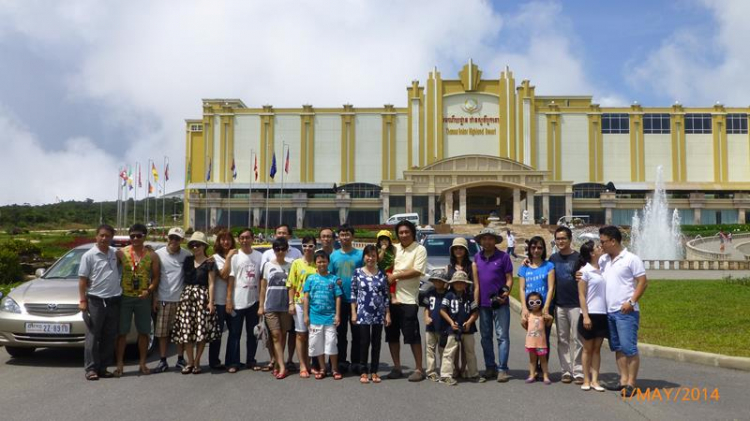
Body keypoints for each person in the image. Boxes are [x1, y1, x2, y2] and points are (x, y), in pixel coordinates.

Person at [598, 226, 648, 397]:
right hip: (609, 311)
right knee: (618, 347)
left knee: (629, 348)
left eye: (603, 241)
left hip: (626, 311)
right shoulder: (603, 260)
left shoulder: (631, 259)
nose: (601, 245)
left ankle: (632, 383)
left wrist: (631, 301)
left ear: (613, 241)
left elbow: (642, 282)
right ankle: (623, 380)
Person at [115, 223, 160, 376]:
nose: (135, 238)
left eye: (138, 236)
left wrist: (149, 291)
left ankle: (142, 363)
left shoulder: (152, 255)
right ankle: (120, 364)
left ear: (144, 236)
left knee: (144, 332)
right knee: (122, 332)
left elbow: (156, 278)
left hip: (143, 298)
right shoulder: (121, 253)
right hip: (125, 297)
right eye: (132, 236)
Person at [171, 231, 220, 374]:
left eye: (198, 245)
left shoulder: (210, 262)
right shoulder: (187, 260)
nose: (195, 247)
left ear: (204, 246)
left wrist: (211, 302)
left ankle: (197, 361)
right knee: (186, 331)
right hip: (187, 297)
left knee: (201, 332)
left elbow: (211, 283)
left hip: (202, 297)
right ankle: (190, 362)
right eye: (192, 245)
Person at [78, 224, 122, 380]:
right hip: (96, 301)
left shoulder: (115, 254)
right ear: (96, 236)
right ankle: (91, 369)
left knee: (109, 336)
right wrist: (83, 300)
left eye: (108, 236)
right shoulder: (89, 256)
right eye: (101, 235)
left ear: (111, 238)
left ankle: (103, 367)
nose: (104, 238)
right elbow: (83, 280)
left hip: (114, 300)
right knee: (93, 336)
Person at [385, 220, 428, 382]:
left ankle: (418, 369)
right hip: (390, 299)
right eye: (401, 232)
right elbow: (382, 263)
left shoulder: (420, 249)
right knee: (392, 335)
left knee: (412, 335)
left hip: (409, 300)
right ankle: (397, 367)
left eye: (406, 232)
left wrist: (395, 275)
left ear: (413, 233)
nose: (403, 235)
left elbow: (417, 271)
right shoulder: (393, 248)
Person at [472, 228, 513, 382]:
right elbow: (476, 283)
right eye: (484, 239)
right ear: (480, 241)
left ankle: (502, 368)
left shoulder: (503, 257)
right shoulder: (477, 258)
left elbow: (509, 279)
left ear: (495, 241)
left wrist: (506, 293)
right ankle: (490, 367)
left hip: (500, 303)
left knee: (502, 336)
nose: (487, 241)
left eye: (490, 239)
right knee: (485, 337)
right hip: (483, 304)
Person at [260, 224, 301, 372]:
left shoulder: (292, 264)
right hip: (270, 304)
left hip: (286, 305)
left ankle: (280, 361)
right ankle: (280, 364)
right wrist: (260, 306)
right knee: (275, 334)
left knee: (283, 334)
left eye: (283, 249)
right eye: (277, 249)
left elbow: (295, 285)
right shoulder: (267, 264)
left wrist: (293, 303)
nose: (280, 251)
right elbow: (263, 286)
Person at [152, 227, 190, 373]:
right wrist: (154, 298)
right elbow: (155, 277)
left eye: (177, 238)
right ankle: (163, 360)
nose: (174, 241)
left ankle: (180, 359)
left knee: (180, 332)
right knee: (162, 333)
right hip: (163, 298)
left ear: (182, 240)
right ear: (167, 238)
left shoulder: (186, 255)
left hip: (180, 299)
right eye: (171, 238)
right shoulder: (158, 254)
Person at [351, 244, 391, 384]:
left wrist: (387, 314)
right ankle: (363, 371)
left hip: (378, 313)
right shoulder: (357, 272)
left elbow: (386, 295)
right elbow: (353, 294)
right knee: (364, 342)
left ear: (377, 258)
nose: (371, 258)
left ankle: (374, 371)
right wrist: (353, 313)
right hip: (362, 312)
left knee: (376, 343)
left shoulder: (381, 274)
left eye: (373, 256)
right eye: (368, 255)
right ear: (364, 257)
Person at [549, 226, 584, 384]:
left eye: (563, 238)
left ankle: (578, 371)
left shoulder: (579, 258)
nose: (560, 241)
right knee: (562, 339)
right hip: (560, 304)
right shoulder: (553, 259)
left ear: (570, 239)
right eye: (558, 239)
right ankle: (566, 371)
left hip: (576, 304)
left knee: (578, 339)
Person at [226, 228, 263, 373]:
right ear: (238, 240)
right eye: (241, 238)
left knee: (252, 333)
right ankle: (233, 362)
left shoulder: (259, 256)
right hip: (237, 301)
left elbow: (261, 279)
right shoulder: (235, 256)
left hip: (254, 301)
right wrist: (229, 300)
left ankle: (251, 360)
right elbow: (231, 279)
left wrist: (261, 300)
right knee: (235, 333)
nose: (244, 240)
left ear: (253, 239)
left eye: (247, 237)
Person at [518, 235, 555, 378]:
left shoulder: (549, 266)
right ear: (529, 249)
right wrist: (524, 308)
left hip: (544, 308)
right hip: (530, 310)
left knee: (544, 338)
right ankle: (533, 369)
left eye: (539, 247)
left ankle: (542, 368)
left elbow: (551, 287)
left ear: (544, 249)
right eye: (533, 247)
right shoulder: (524, 267)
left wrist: (546, 307)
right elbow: (521, 289)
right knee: (532, 337)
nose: (536, 250)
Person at [328, 224, 364, 374]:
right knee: (340, 334)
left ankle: (356, 362)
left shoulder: (360, 255)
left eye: (347, 234)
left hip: (357, 300)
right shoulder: (333, 255)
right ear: (339, 237)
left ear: (352, 236)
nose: (345, 237)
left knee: (358, 334)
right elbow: (330, 275)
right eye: (342, 234)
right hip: (340, 300)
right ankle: (341, 362)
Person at [303, 250, 342, 380]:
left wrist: (337, 315)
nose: (322, 264)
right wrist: (305, 315)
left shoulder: (334, 279)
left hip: (330, 317)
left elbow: (338, 297)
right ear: (315, 263)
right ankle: (323, 368)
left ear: (328, 262)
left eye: (324, 261)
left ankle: (335, 369)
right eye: (319, 261)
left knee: (331, 343)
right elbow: (306, 298)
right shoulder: (310, 279)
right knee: (316, 344)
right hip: (314, 317)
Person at [575, 240, 608, 392]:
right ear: (591, 253)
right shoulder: (585, 271)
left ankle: (595, 380)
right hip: (589, 314)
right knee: (587, 349)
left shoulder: (604, 268)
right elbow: (582, 295)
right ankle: (586, 379)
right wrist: (586, 316)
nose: (601, 247)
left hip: (602, 313)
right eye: (597, 247)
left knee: (597, 349)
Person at [439, 270, 480, 386]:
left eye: (462, 283)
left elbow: (475, 312)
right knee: (449, 351)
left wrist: (470, 322)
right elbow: (442, 310)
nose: (459, 285)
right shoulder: (449, 295)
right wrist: (451, 322)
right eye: (457, 282)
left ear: (466, 284)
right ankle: (446, 375)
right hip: (453, 328)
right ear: (452, 283)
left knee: (470, 351)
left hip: (468, 328)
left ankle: (473, 373)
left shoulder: (469, 296)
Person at [287, 235, 318, 378]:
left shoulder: (319, 263)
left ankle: (310, 362)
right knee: (301, 334)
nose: (307, 249)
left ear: (315, 247)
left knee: (313, 334)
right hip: (299, 302)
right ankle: (303, 365)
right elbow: (291, 285)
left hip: (316, 303)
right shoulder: (297, 263)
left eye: (311, 246)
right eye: (305, 246)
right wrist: (291, 303)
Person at [446, 236, 474, 378]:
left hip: (468, 304)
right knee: (455, 340)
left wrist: (476, 303)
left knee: (466, 341)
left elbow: (476, 286)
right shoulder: (449, 267)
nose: (458, 251)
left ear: (465, 250)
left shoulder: (471, 266)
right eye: (456, 248)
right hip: (453, 306)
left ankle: (464, 368)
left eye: (461, 248)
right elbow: (446, 286)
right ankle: (455, 368)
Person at [209, 229, 235, 370]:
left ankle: (231, 361)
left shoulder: (237, 255)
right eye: (222, 239)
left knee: (234, 333)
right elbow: (224, 275)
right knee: (217, 333)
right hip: (219, 301)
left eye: (228, 239)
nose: (226, 242)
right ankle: (214, 361)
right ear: (218, 242)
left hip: (234, 301)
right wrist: (229, 258)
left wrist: (232, 256)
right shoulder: (214, 258)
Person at [421, 269, 449, 382]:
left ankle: (444, 371)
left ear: (444, 282)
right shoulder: (430, 292)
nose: (437, 283)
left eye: (440, 281)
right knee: (430, 349)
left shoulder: (449, 294)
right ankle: (431, 371)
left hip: (444, 326)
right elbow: (426, 308)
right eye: (435, 280)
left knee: (443, 350)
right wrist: (426, 317)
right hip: (431, 326)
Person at [522, 291, 553, 385]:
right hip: (531, 342)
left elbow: (548, 325)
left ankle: (545, 376)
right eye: (531, 302)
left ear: (541, 302)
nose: (535, 304)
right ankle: (531, 375)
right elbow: (525, 326)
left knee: (543, 360)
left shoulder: (543, 314)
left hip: (541, 343)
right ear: (528, 304)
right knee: (532, 360)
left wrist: (550, 318)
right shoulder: (528, 315)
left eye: (537, 302)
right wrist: (523, 321)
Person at [376, 229, 396, 303]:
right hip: (383, 270)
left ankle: (392, 297)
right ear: (379, 242)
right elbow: (379, 260)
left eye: (386, 240)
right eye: (382, 240)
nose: (384, 242)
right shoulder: (378, 250)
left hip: (391, 269)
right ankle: (389, 297)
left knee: (393, 282)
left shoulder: (391, 250)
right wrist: (383, 251)